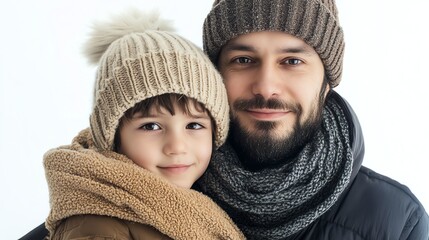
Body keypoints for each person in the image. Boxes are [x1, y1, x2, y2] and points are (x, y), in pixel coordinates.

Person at [194, 0, 429, 239]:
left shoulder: (398, 222)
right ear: (214, 75)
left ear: (326, 84)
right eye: (243, 60)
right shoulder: (171, 187)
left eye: (292, 61)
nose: (265, 87)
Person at [42, 9, 244, 240]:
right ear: (112, 137)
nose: (177, 146)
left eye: (194, 126)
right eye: (151, 126)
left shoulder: (193, 202)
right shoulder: (97, 223)